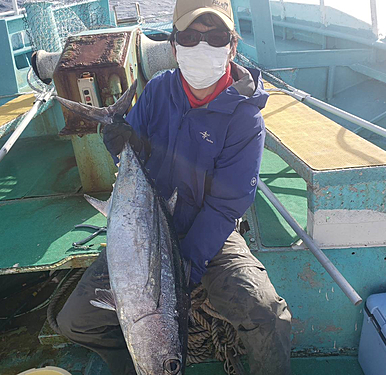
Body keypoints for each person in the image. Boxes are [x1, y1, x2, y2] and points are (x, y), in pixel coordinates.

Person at [57, 0, 292, 374]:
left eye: (215, 37)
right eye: (190, 37)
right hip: (145, 224)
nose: (203, 47)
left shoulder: (245, 119)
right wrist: (120, 141)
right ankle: (137, 361)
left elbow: (226, 205)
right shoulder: (158, 90)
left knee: (268, 316)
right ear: (173, 45)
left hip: (208, 230)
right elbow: (135, 155)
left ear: (233, 46)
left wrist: (184, 267)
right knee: (75, 322)